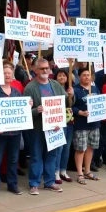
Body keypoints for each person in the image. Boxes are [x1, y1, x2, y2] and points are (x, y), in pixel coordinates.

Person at [23, 58, 74, 194]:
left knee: (52, 155)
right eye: (42, 68)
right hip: (38, 129)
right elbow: (24, 110)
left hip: (54, 128)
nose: (45, 70)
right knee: (36, 156)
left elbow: (66, 103)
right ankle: (34, 183)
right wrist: (35, 110)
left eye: (47, 68)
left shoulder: (55, 84)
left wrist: (71, 95)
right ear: (35, 70)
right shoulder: (30, 88)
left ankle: (49, 182)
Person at [0, 60, 32, 196]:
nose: (7, 75)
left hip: (15, 132)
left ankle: (13, 185)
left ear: (12, 75)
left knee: (13, 159)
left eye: (9, 73)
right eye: (4, 73)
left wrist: (27, 105)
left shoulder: (17, 92)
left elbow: (22, 110)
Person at [72, 68, 101, 185]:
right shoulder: (75, 90)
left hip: (94, 124)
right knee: (80, 149)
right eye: (84, 75)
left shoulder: (94, 88)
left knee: (90, 148)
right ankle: (80, 173)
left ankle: (87, 171)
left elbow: (99, 102)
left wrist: (105, 101)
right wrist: (81, 113)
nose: (87, 77)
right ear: (79, 77)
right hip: (81, 125)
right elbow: (71, 107)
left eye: (88, 75)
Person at [54, 69, 74, 183]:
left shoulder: (71, 88)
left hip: (69, 121)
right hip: (58, 121)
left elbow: (73, 105)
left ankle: (63, 170)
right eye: (59, 75)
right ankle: (55, 171)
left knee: (67, 147)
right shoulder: (53, 88)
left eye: (64, 75)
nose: (62, 77)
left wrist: (72, 95)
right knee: (59, 147)